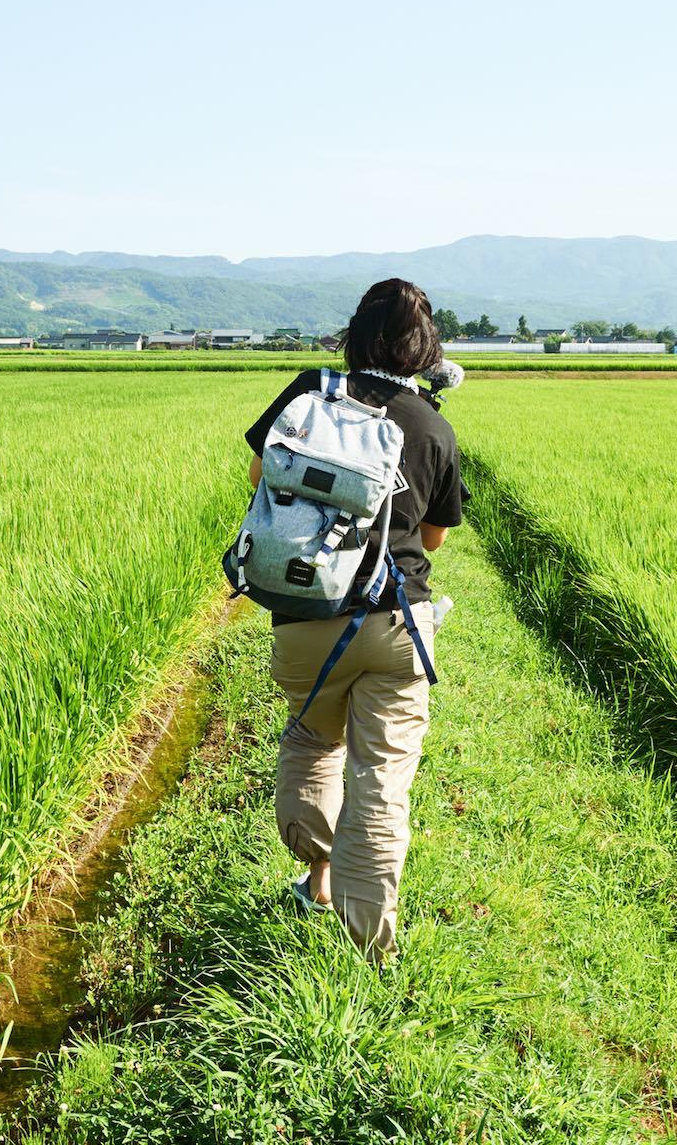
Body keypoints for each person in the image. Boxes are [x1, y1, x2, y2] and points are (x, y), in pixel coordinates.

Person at [242, 277, 465, 961]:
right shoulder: (431, 425)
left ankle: (318, 878)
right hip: (396, 625)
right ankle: (372, 949)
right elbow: (433, 539)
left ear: (356, 334)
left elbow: (259, 476)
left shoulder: (312, 393)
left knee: (313, 742)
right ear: (427, 350)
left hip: (307, 616)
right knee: (381, 781)